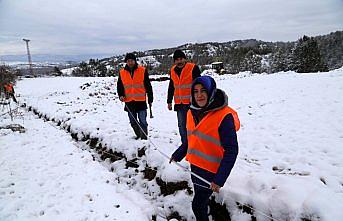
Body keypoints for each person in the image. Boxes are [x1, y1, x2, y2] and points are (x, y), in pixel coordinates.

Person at [170, 76, 240, 221]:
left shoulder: (224, 116)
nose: (199, 95)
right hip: (195, 166)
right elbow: (192, 139)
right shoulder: (191, 112)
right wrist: (178, 154)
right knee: (199, 198)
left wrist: (220, 179)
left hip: (211, 172)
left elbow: (232, 150)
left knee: (197, 205)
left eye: (203, 91)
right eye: (195, 91)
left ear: (211, 92)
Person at [167, 49, 201, 146]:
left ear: (185, 59)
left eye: (181, 59)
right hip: (179, 104)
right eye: (177, 60)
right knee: (182, 127)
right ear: (174, 61)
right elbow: (171, 86)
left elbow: (199, 85)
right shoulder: (173, 70)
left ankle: (196, 146)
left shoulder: (193, 68)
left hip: (192, 104)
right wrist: (169, 101)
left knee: (194, 126)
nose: (179, 61)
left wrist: (198, 100)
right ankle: (185, 147)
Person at [117, 53, 153, 140]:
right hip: (129, 101)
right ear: (126, 62)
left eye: (132, 60)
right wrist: (121, 95)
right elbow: (120, 86)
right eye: (128, 61)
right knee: (133, 121)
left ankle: (144, 139)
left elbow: (148, 85)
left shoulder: (142, 70)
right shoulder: (122, 72)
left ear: (135, 60)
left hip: (141, 101)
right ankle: (138, 135)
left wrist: (150, 98)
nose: (130, 62)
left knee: (143, 121)